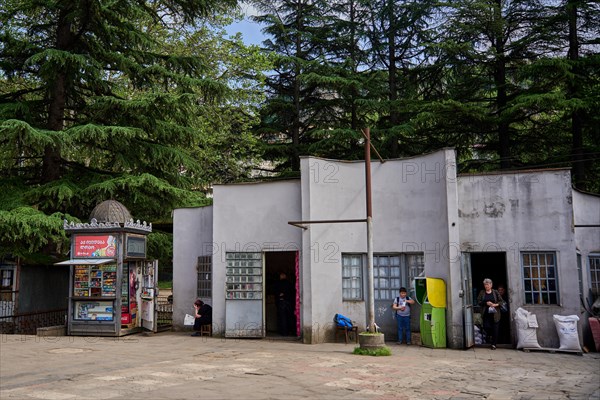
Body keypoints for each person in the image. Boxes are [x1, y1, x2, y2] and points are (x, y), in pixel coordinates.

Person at [477, 278, 505, 349]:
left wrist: (495, 305)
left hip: (495, 314)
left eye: (488, 284)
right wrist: (486, 303)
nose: (486, 286)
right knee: (486, 327)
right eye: (485, 285)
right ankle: (490, 336)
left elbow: (501, 301)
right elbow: (479, 301)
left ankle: (494, 344)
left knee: (495, 329)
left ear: (491, 285)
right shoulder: (482, 292)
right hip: (486, 314)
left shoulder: (495, 292)